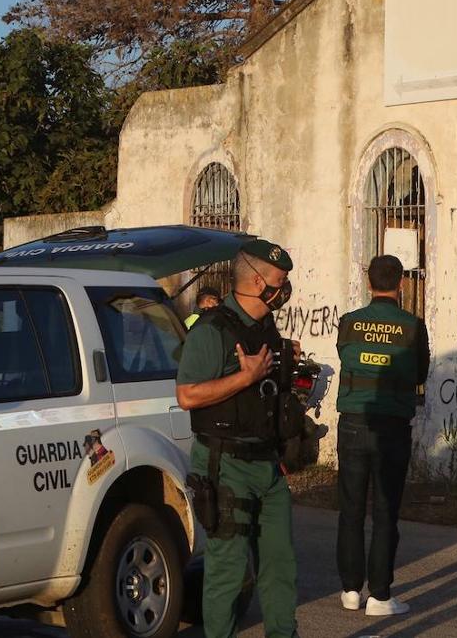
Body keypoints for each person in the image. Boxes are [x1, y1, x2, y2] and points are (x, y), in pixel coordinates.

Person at [175, 239, 301, 638]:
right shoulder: (211, 331)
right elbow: (187, 395)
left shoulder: (265, 327)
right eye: (279, 281)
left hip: (268, 463)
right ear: (257, 280)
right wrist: (245, 376)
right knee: (227, 574)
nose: (284, 290)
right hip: (225, 464)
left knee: (280, 567)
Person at [335, 255, 429, 617]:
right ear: (402, 283)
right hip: (391, 426)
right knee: (385, 511)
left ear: (368, 283)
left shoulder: (349, 323)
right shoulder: (412, 326)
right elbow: (421, 371)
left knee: (350, 509)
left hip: (353, 421)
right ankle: (379, 595)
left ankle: (349, 590)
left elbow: (346, 356)